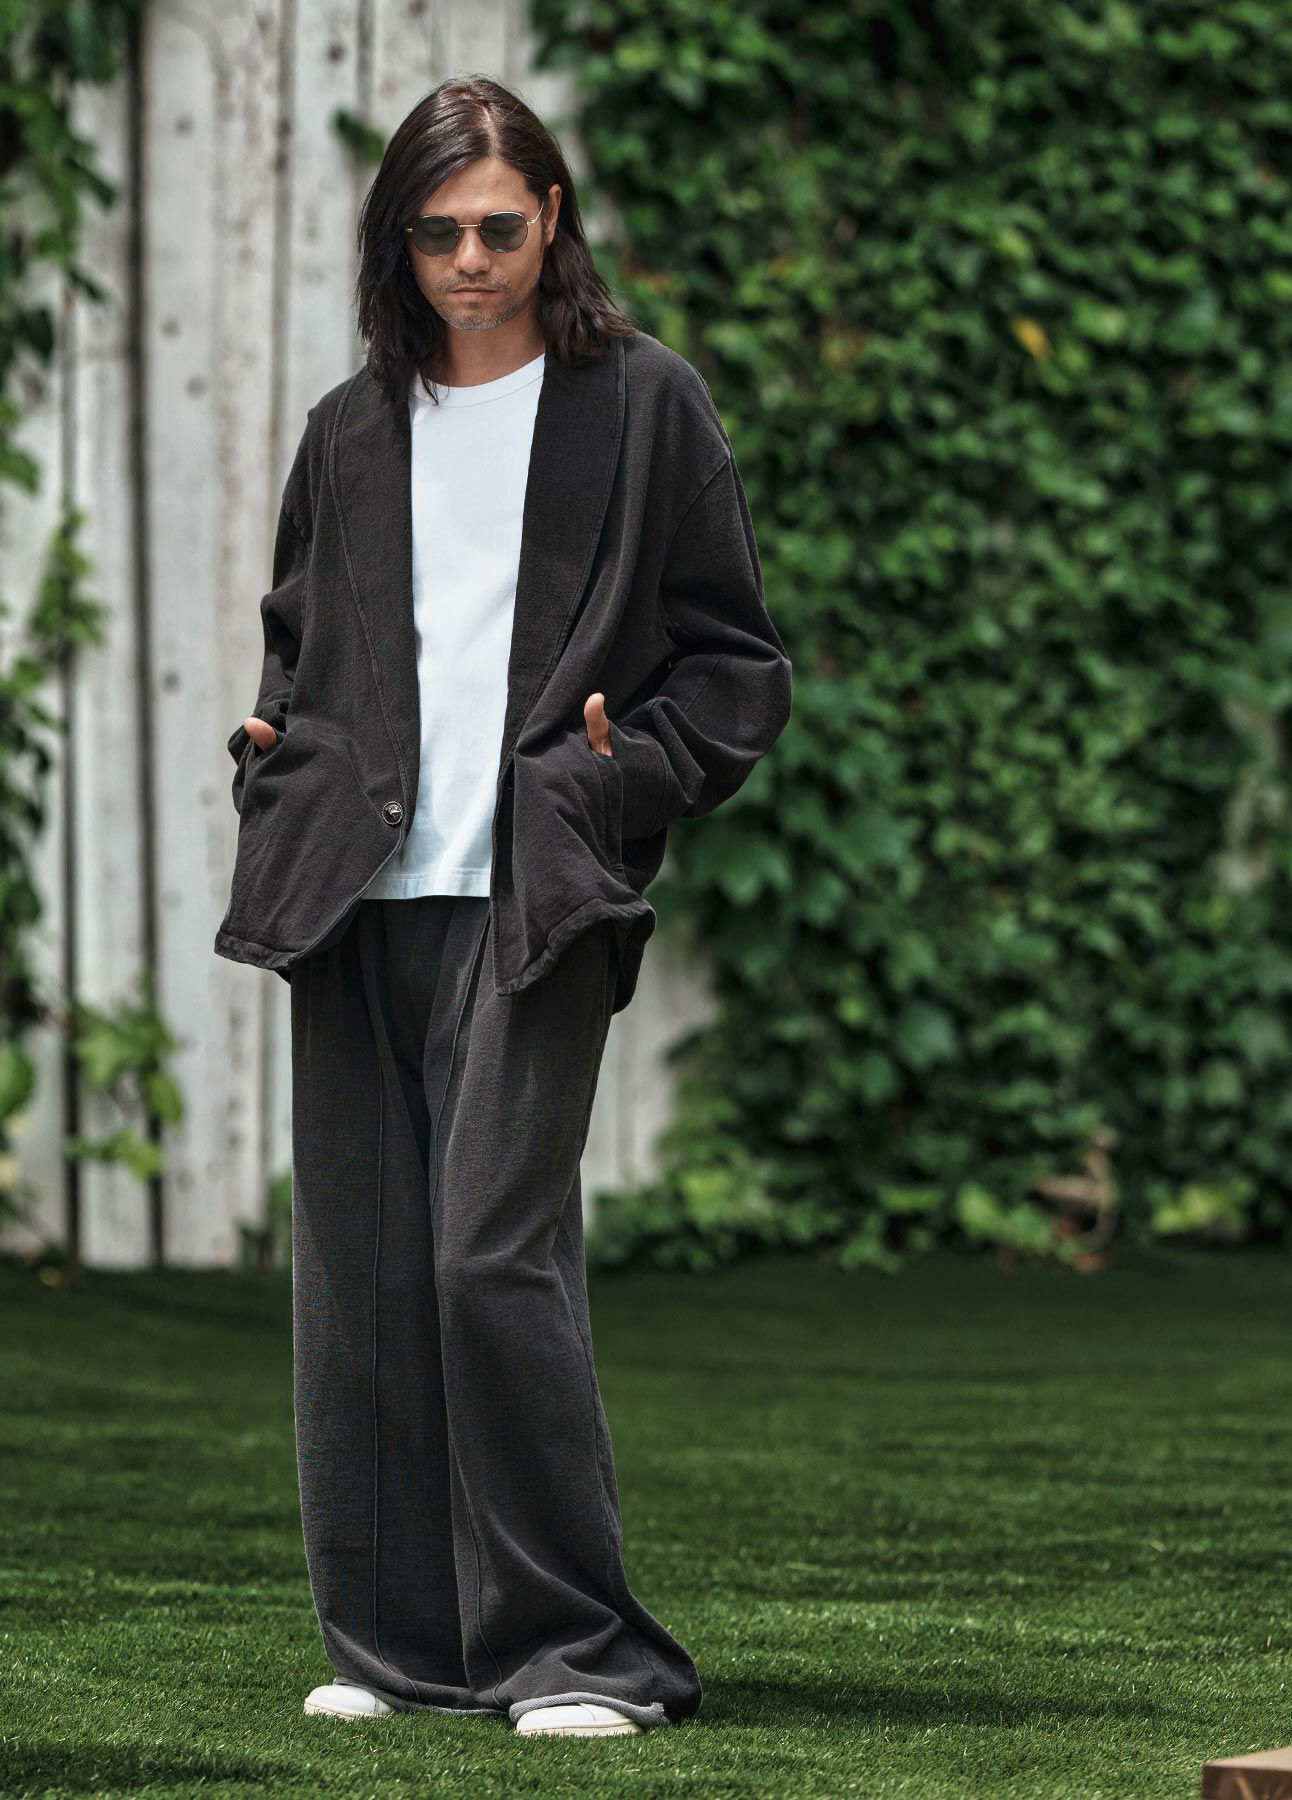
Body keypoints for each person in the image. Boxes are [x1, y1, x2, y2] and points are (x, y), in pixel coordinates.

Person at [214, 74, 792, 1739]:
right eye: (437, 233)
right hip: (357, 890)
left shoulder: (643, 404)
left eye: (498, 229)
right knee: (367, 1278)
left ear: (552, 223)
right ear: (397, 244)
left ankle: (580, 1653)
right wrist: (276, 757)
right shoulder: (349, 431)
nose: (470, 261)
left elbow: (736, 668)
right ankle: (403, 1649)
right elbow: (298, 644)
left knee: (485, 1257)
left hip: (536, 886)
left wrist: (618, 780)